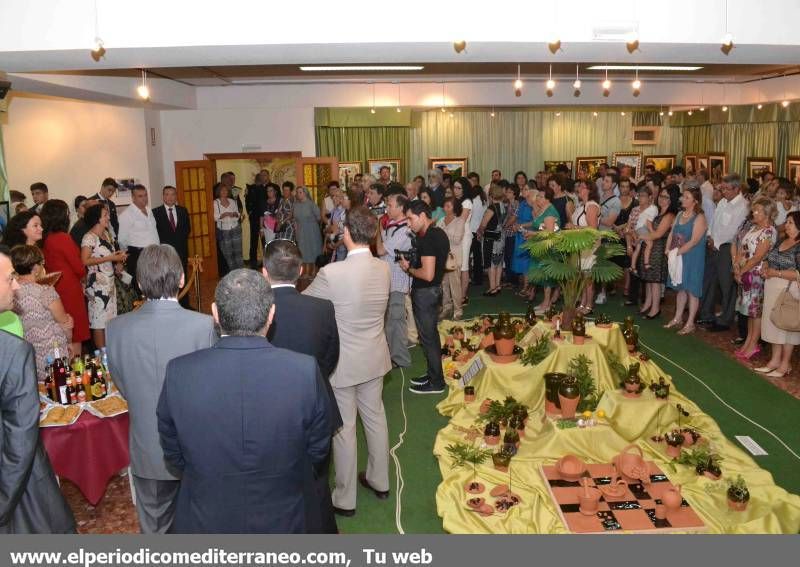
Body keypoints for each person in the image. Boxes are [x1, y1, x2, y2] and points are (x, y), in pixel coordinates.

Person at [157, 269, 331, 533]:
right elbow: (317, 449)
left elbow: (174, 452)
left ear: (215, 314)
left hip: (206, 516)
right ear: (271, 314)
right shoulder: (303, 371)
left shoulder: (179, 373)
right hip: (284, 517)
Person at [106, 245, 216, 533]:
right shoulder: (204, 326)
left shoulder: (116, 328)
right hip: (196, 449)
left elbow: (121, 383)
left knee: (155, 530)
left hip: (145, 449)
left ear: (140, 283)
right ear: (181, 279)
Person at [303, 207, 391, 516]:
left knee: (344, 429)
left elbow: (307, 303)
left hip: (343, 361)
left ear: (348, 234)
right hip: (375, 355)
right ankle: (380, 481)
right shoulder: (384, 268)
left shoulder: (333, 273)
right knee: (375, 418)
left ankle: (345, 498)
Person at [262, 240, 342, 533]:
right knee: (318, 481)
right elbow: (330, 358)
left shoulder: (257, 310)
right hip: (315, 404)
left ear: (264, 273)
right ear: (301, 270)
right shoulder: (322, 308)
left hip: (270, 411)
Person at [0, 245, 76, 534]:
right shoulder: (11, 351)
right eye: (9, 279)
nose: (15, 286)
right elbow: (20, 434)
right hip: (18, 489)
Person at [400, 200, 450, 395]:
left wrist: (409, 269)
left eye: (410, 219)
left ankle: (436, 382)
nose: (408, 224)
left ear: (422, 216)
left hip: (426, 293)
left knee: (428, 338)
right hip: (433, 291)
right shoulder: (437, 233)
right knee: (430, 337)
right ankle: (433, 374)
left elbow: (427, 274)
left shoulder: (429, 238)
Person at [10, 245, 72, 379]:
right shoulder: (45, 292)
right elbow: (64, 322)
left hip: (28, 354)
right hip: (52, 352)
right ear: (36, 268)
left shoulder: (9, 293)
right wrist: (70, 341)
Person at [698, 174, 751, 332]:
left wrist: (718, 243)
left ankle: (725, 319)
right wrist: (709, 237)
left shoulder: (743, 206)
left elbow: (735, 232)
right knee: (709, 281)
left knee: (726, 285)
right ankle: (706, 314)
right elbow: (713, 222)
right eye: (722, 188)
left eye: (727, 189)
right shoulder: (721, 202)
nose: (724, 192)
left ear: (737, 189)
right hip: (713, 245)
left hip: (727, 248)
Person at [40, 200, 90, 355]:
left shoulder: (46, 238)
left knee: (63, 332)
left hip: (56, 287)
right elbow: (79, 267)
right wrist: (83, 274)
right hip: (70, 289)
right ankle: (77, 371)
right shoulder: (62, 237)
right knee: (75, 334)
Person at [732, 198, 777, 360]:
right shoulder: (752, 228)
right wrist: (736, 266)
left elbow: (758, 257)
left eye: (758, 210)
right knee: (748, 312)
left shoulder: (769, 231)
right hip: (745, 273)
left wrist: (742, 271)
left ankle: (753, 344)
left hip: (756, 276)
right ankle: (748, 342)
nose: (754, 213)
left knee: (755, 312)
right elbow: (741, 248)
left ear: (767, 213)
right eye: (754, 210)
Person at [757, 211, 800, 377]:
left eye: (790, 222)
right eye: (787, 221)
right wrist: (765, 268)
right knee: (773, 324)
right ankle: (774, 360)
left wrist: (776, 273)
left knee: (786, 326)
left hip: (787, 289)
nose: (786, 225)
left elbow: (798, 273)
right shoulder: (782, 240)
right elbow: (768, 257)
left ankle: (785, 364)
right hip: (771, 287)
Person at [663, 184, 708, 333]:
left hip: (692, 257)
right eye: (683, 196)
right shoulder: (679, 214)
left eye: (687, 197)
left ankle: (690, 323)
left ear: (695, 201)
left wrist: (677, 252)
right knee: (680, 288)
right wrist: (668, 249)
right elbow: (671, 233)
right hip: (678, 255)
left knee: (692, 289)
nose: (683, 198)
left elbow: (694, 241)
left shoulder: (699, 217)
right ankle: (677, 318)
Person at [81, 204, 127, 349]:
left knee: (110, 318)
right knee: (98, 320)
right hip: (97, 284)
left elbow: (108, 256)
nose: (108, 217)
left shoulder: (106, 234)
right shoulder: (89, 237)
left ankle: (110, 350)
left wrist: (118, 260)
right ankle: (101, 354)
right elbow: (84, 260)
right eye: (105, 215)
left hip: (110, 281)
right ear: (97, 218)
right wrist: (110, 258)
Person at [376, 193, 413, 366]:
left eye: (390, 205)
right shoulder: (392, 225)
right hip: (388, 278)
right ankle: (393, 355)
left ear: (400, 208)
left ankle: (401, 359)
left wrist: (378, 228)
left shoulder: (405, 229)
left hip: (397, 280)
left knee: (396, 320)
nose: (387, 209)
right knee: (390, 320)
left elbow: (381, 250)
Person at [638, 186, 680, 319]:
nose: (662, 199)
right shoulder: (658, 212)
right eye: (661, 196)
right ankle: (648, 304)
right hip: (651, 247)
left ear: (671, 199)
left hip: (659, 249)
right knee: (649, 279)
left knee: (655, 281)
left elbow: (658, 234)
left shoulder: (669, 215)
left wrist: (641, 236)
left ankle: (655, 308)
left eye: (666, 197)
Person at [117, 184, 159, 293]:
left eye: (145, 195)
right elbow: (121, 239)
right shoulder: (126, 215)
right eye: (140, 196)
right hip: (138, 255)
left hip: (154, 255)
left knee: (155, 286)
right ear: (133, 198)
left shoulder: (150, 211)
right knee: (141, 288)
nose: (144, 198)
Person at [525, 185, 560, 310]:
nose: (537, 198)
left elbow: (550, 233)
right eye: (537, 196)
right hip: (541, 246)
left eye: (540, 196)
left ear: (547, 199)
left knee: (547, 277)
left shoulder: (550, 212)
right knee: (543, 276)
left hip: (549, 247)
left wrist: (532, 233)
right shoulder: (542, 209)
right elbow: (539, 226)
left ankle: (547, 304)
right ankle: (545, 302)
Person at [625, 185, 658, 307]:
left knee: (646, 271)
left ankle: (645, 300)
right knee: (634, 271)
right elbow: (628, 227)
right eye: (639, 195)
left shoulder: (653, 210)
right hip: (634, 240)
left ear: (650, 197)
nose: (640, 198)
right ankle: (632, 298)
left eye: (643, 196)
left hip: (647, 241)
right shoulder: (635, 210)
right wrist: (629, 243)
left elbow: (652, 228)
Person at [152, 186, 191, 281]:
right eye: (167, 194)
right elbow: (155, 233)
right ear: (163, 196)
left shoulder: (183, 211)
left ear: (176, 196)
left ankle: (183, 296)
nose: (170, 197)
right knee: (167, 279)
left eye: (173, 194)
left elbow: (187, 230)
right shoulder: (155, 212)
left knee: (182, 278)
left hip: (181, 252)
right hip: (164, 253)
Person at [477, 185, 507, 297]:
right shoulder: (503, 206)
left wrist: (479, 232)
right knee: (499, 262)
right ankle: (498, 285)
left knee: (490, 262)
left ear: (491, 195)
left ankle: (492, 287)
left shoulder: (492, 208)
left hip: (491, 236)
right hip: (501, 236)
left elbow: (484, 224)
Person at [437, 197, 465, 319]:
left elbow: (457, 239)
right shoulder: (441, 220)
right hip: (442, 257)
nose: (446, 208)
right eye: (445, 205)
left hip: (454, 257)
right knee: (444, 284)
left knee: (455, 285)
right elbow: (436, 237)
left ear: (455, 208)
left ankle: (458, 310)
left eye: (449, 206)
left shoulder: (460, 221)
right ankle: (446, 308)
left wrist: (443, 232)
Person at [452, 178, 474, 306]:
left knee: (464, 266)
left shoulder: (467, 202)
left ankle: (463, 296)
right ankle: (457, 294)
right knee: (457, 266)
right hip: (455, 235)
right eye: (454, 187)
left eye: (458, 188)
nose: (455, 190)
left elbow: (461, 220)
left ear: (464, 189)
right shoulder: (456, 200)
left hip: (464, 236)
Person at [213, 184, 244, 273]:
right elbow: (215, 217)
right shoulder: (215, 202)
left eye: (226, 190)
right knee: (228, 254)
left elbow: (238, 215)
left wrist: (235, 214)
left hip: (235, 228)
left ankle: (242, 273)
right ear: (218, 192)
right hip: (224, 231)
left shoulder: (232, 201)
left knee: (238, 253)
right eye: (222, 190)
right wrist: (225, 214)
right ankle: (233, 274)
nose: (224, 192)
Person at [293, 186, 322, 278]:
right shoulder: (296, 205)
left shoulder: (311, 204)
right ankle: (305, 271)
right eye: (297, 192)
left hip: (312, 230)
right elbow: (295, 219)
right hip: (301, 230)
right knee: (303, 250)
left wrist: (312, 224)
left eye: (300, 192)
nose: (298, 194)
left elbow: (319, 217)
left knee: (313, 249)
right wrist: (296, 230)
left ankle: (314, 271)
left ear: (305, 193)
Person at [245, 171, 270, 268]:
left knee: (265, 240)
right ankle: (253, 262)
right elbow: (247, 202)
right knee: (254, 241)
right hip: (255, 218)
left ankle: (265, 262)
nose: (260, 179)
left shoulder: (266, 188)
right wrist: (250, 213)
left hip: (265, 217)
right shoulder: (250, 188)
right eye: (259, 177)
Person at [466, 179, 487, 291]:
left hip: (471, 230)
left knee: (467, 255)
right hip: (480, 230)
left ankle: (469, 276)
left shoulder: (472, 202)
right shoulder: (484, 202)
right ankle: (478, 278)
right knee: (478, 256)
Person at [502, 183, 520, 286]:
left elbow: (514, 217)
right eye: (507, 191)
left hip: (512, 234)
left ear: (514, 194)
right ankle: (509, 278)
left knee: (511, 256)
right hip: (508, 234)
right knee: (508, 256)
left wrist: (504, 226)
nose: (507, 194)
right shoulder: (508, 203)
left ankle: (513, 280)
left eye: (509, 192)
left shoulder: (516, 203)